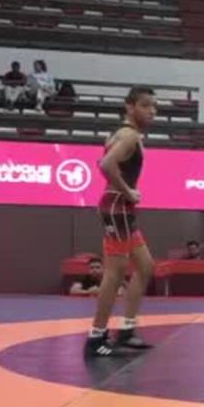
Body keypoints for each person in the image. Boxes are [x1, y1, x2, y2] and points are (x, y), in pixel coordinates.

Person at [85, 87, 157, 358]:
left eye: (154, 106)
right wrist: (128, 191)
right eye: (145, 105)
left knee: (145, 266)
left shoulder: (123, 134)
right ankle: (96, 337)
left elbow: (105, 160)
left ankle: (126, 330)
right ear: (130, 107)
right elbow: (105, 165)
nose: (152, 111)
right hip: (117, 207)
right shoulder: (128, 136)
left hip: (121, 208)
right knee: (114, 273)